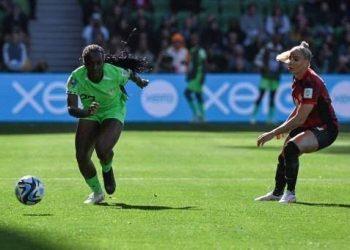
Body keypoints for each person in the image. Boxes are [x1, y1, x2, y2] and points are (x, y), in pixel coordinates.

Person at [255, 41, 338, 204]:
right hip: (308, 125)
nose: (291, 62)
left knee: (292, 148)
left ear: (307, 63)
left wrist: (273, 133)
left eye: (296, 59)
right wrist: (283, 128)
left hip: (325, 129)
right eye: (290, 58)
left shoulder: (311, 82)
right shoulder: (298, 78)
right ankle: (277, 193)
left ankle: (290, 194)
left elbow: (300, 118)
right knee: (284, 155)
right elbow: (300, 110)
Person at [66, 44, 150, 204]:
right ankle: (97, 193)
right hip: (89, 113)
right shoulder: (76, 77)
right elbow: (71, 108)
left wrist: (139, 82)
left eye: (99, 62)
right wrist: (86, 112)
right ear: (85, 64)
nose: (96, 67)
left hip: (113, 109)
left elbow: (130, 73)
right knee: (81, 157)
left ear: (104, 61)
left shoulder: (114, 72)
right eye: (92, 63)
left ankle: (107, 168)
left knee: (102, 149)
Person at [251, 35, 283, 124]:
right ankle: (253, 117)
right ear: (272, 39)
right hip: (265, 76)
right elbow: (257, 60)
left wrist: (282, 68)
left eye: (278, 38)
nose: (277, 40)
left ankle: (270, 118)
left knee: (272, 97)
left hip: (275, 77)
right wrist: (263, 67)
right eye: (275, 38)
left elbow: (284, 62)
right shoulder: (266, 49)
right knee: (261, 96)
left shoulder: (281, 49)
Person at [184, 33, 207, 122]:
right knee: (197, 95)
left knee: (188, 93)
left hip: (198, 75)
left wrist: (203, 76)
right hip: (194, 74)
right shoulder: (192, 50)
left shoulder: (200, 51)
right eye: (192, 39)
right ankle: (201, 115)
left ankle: (197, 114)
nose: (193, 40)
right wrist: (189, 74)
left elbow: (204, 64)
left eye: (195, 39)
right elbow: (191, 64)